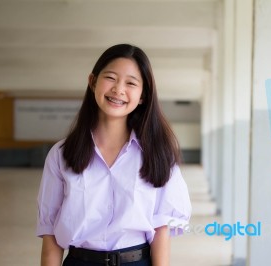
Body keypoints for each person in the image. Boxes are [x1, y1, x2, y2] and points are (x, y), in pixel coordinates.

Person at [37, 44, 192, 266]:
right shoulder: (61, 155)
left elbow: (161, 229)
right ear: (92, 82)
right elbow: (50, 231)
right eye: (110, 78)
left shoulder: (158, 155)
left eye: (131, 83)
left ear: (142, 96)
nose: (119, 89)